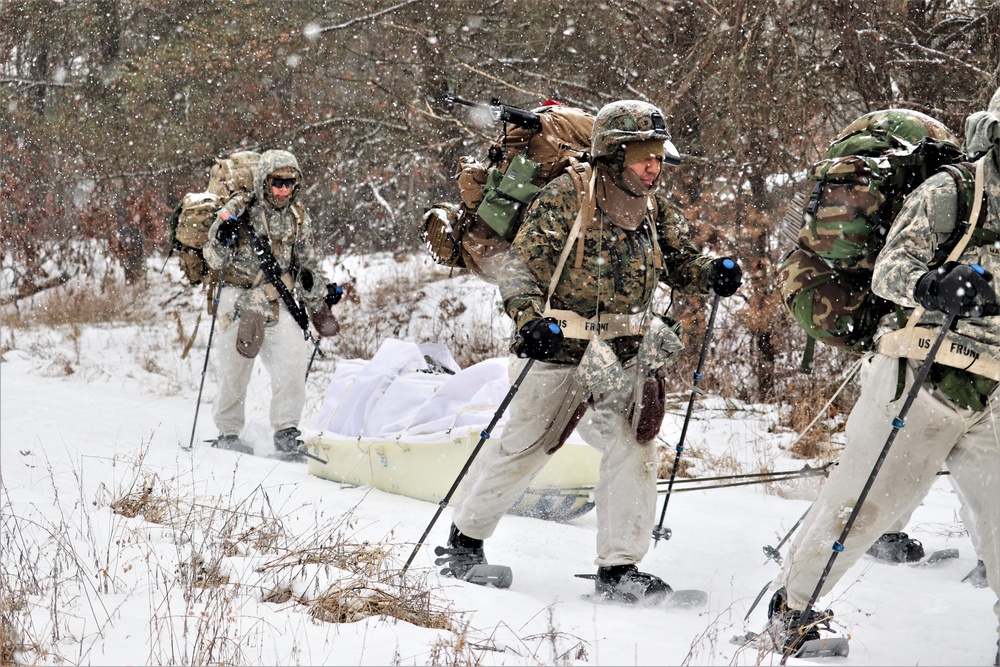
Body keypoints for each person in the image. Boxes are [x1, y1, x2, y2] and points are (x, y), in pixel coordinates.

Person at [437, 100, 744, 602]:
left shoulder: (653, 208)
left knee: (634, 446)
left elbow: (683, 261)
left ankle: (619, 569)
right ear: (614, 154)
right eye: (645, 155)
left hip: (625, 348)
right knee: (526, 447)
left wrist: (712, 272)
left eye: (660, 156)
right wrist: (529, 319)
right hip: (558, 343)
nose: (654, 166)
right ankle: (464, 543)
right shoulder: (565, 196)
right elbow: (522, 272)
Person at [765, 88, 1000, 661]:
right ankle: (791, 608)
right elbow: (890, 271)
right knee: (862, 506)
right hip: (922, 372)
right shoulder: (955, 191)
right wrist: (934, 286)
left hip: (995, 389)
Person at [202, 149, 340, 456]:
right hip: (238, 297)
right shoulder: (239, 209)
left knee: (291, 364)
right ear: (264, 181)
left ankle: (287, 431)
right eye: (276, 182)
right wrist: (222, 238)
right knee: (235, 368)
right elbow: (212, 258)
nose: (282, 190)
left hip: (280, 298)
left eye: (289, 183)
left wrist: (322, 291)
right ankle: (228, 431)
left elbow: (306, 262)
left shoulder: (298, 216)